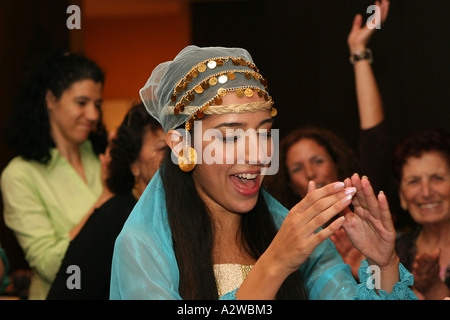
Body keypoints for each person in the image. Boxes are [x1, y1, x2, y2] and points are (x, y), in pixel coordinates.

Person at [109, 45, 416, 300]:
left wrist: (382, 262)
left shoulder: (289, 230)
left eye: (264, 133)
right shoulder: (143, 245)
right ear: (180, 145)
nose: (258, 155)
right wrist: (275, 263)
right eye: (230, 137)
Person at [264, 0, 390, 278]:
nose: (310, 173)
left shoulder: (364, 209)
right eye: (297, 168)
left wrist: (359, 52)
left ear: (336, 163)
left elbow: (374, 136)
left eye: (318, 160)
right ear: (287, 181)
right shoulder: (282, 235)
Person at [1, 51, 109, 299]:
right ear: (51, 99)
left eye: (97, 104)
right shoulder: (20, 174)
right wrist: (105, 200)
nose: (93, 115)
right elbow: (50, 265)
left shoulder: (101, 157)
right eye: (81, 103)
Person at [46, 102, 166, 299]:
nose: (175, 157)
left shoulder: (185, 215)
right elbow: (68, 290)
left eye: (179, 145)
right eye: (162, 148)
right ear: (133, 163)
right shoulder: (110, 221)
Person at [394, 128, 450, 300]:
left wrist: (435, 291)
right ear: (402, 196)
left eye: (437, 178)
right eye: (414, 181)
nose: (426, 192)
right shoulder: (396, 252)